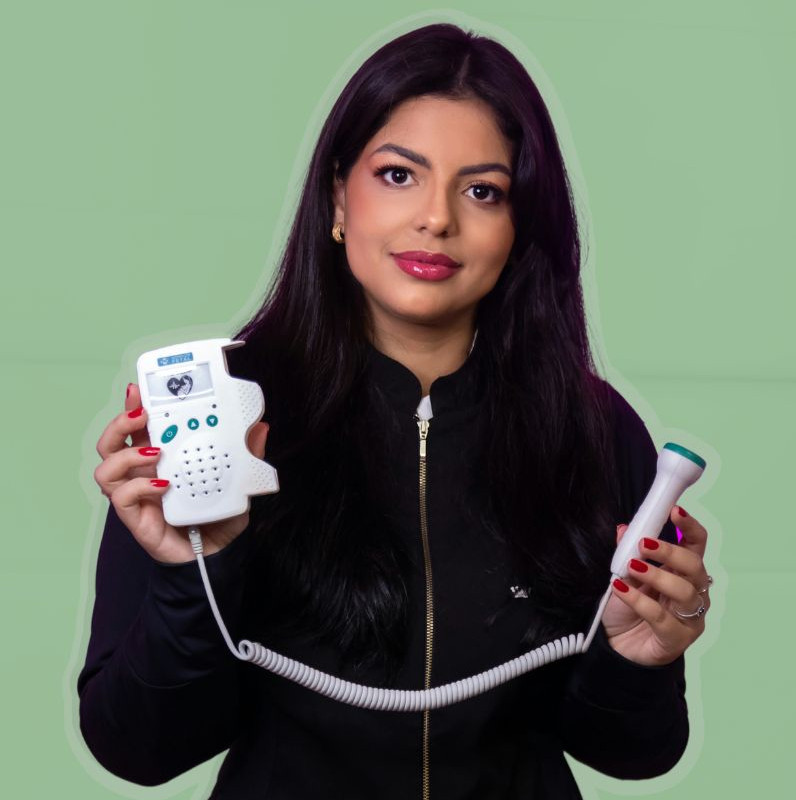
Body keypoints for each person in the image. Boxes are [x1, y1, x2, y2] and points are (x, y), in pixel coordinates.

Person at [79, 23, 712, 799]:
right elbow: (137, 750)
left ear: (519, 228)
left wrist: (638, 658)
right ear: (338, 194)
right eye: (398, 175)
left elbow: (633, 754)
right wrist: (191, 579)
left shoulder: (593, 427)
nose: (438, 220)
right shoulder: (224, 419)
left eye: (483, 191)